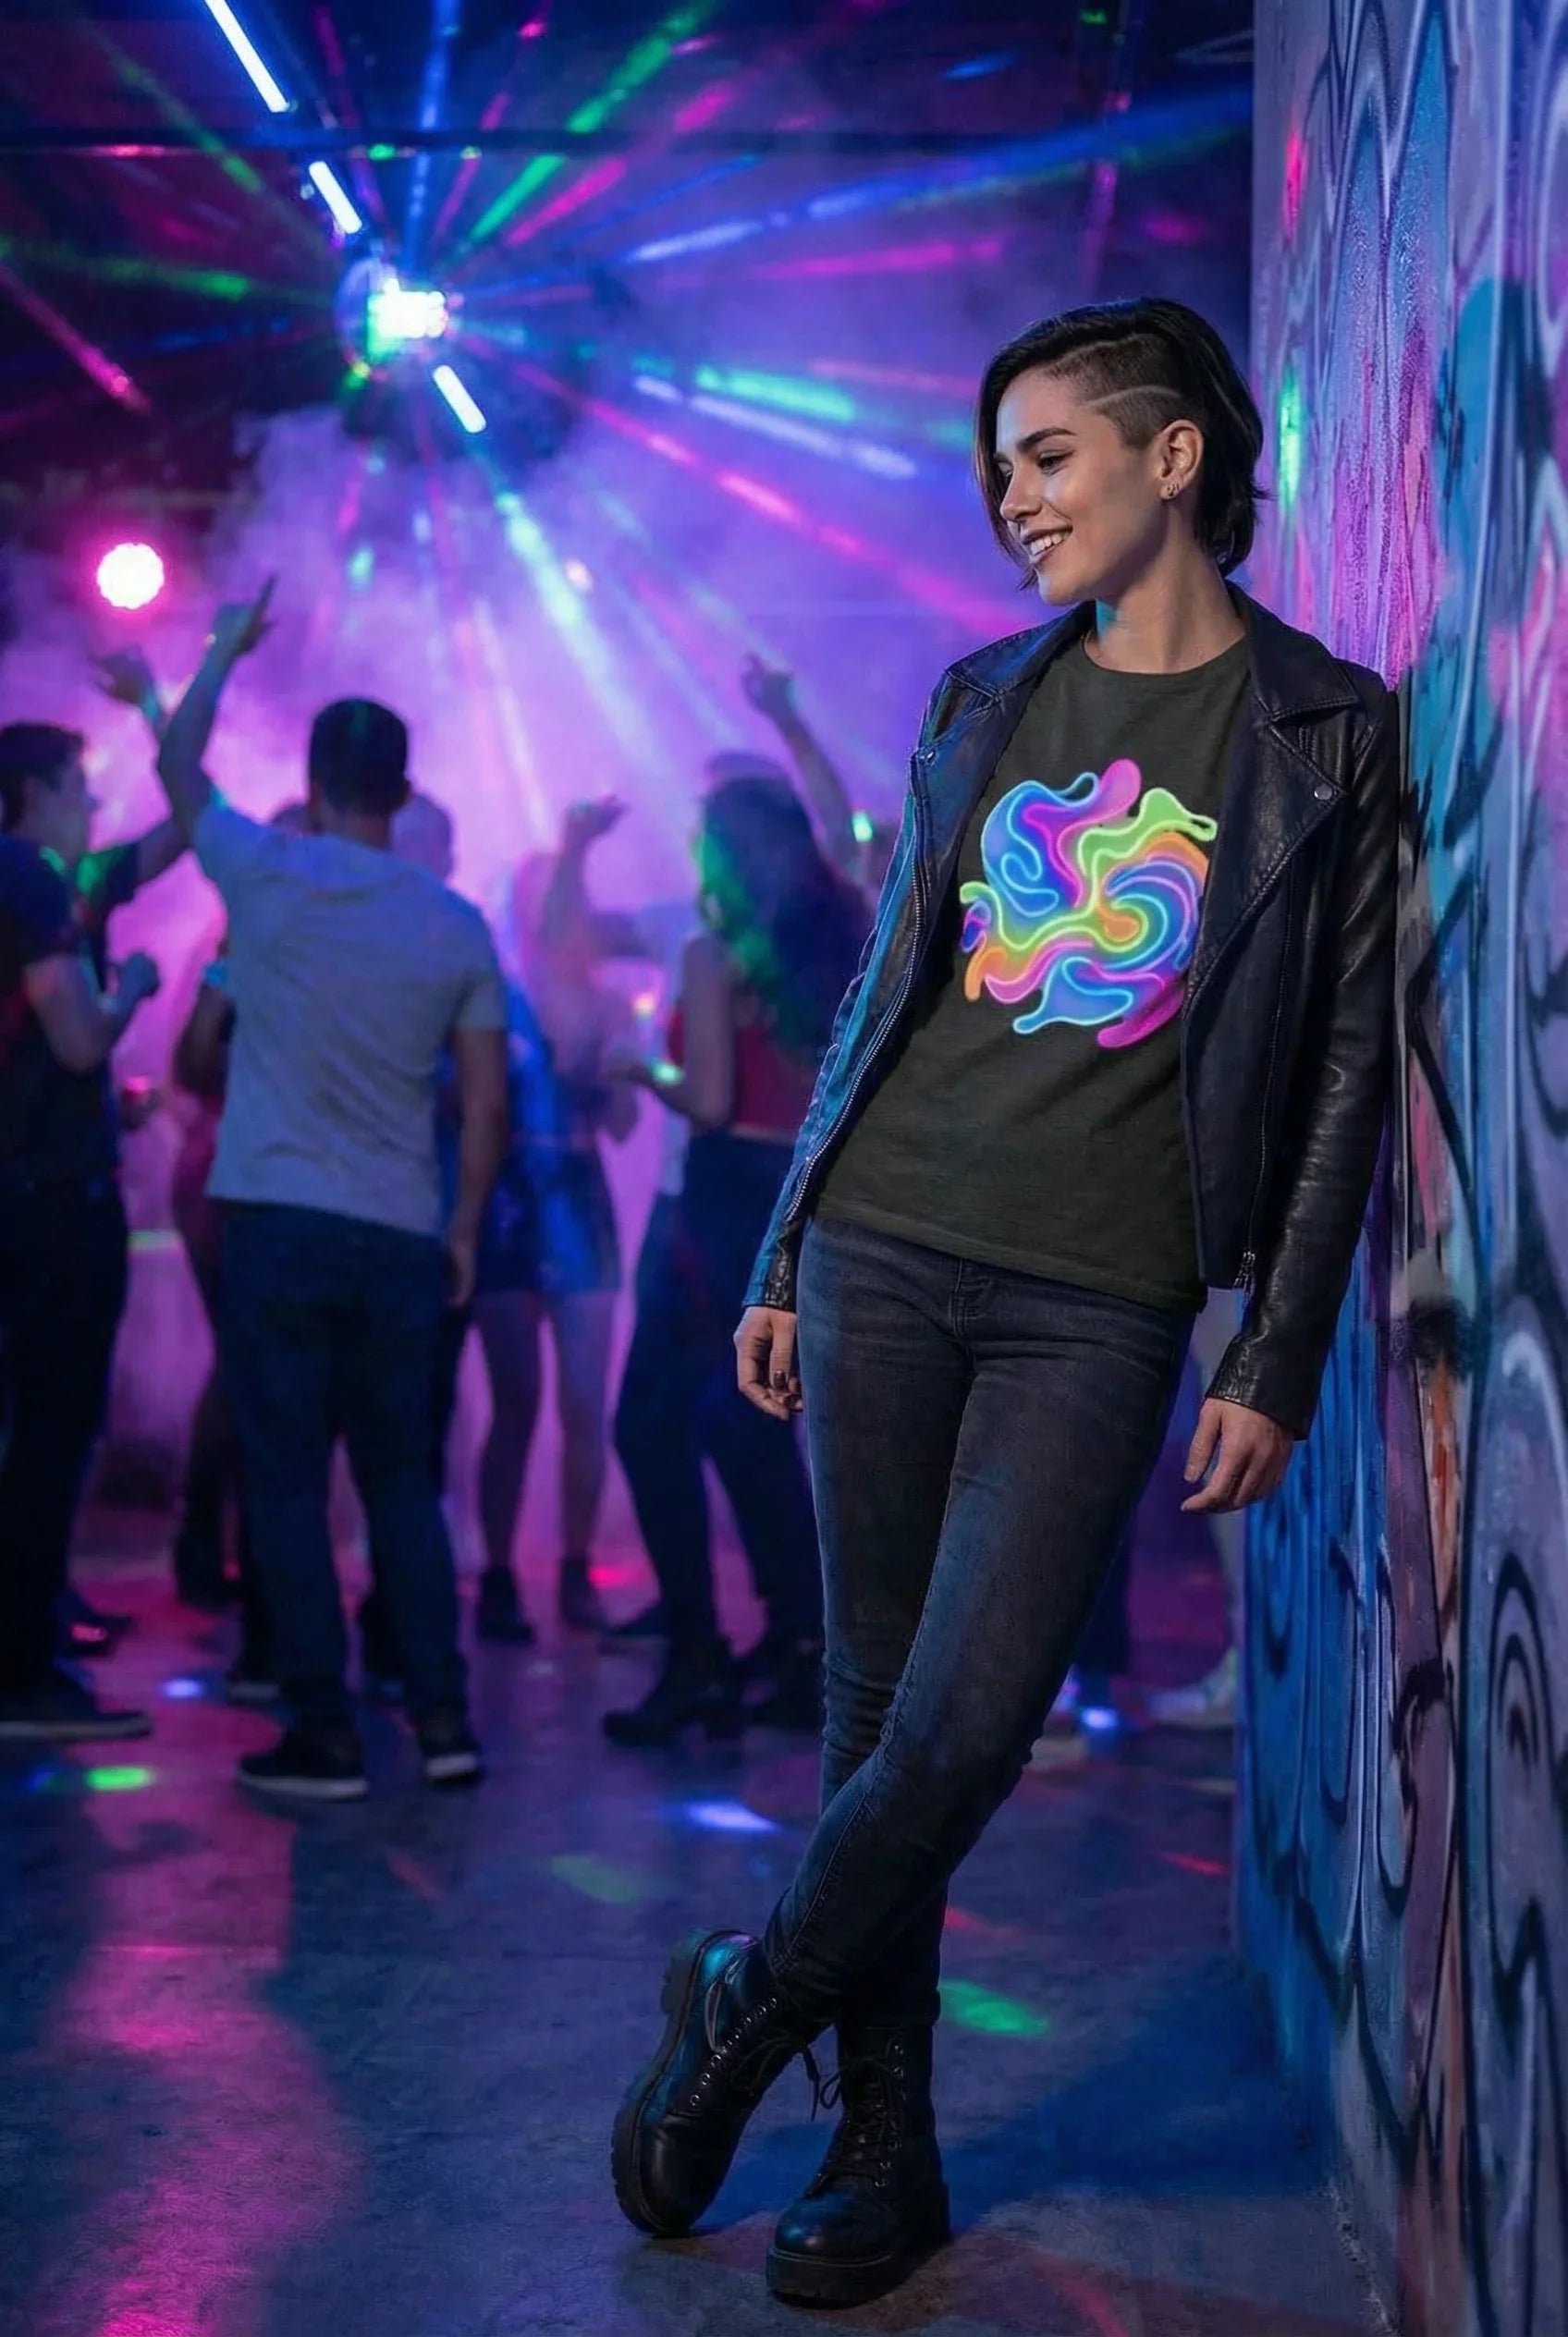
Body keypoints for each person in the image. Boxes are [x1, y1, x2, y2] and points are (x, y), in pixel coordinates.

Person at [610, 297, 1399, 2308]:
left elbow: (1338, 1065)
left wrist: (1280, 1339)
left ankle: (741, 1985)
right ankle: (883, 2147)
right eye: (999, 464)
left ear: (1170, 460)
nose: (1011, 494)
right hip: (888, 1234)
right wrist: (790, 1237)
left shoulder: (1323, 733)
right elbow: (886, 991)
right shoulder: (983, 692)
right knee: (873, 1709)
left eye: (1047, 454)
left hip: (1099, 1297)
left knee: (966, 1725)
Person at [155, 585, 509, 1801]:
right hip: (401, 1235)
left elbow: (175, 763)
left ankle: (324, 1733)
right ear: (404, 796)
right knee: (402, 1478)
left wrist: (221, 648)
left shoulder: (268, 874)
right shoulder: (457, 923)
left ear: (312, 784)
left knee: (292, 1481)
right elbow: (488, 1099)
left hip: (277, 1224)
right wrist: (462, 1227)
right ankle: (446, 1721)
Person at [602, 776, 866, 1747]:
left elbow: (708, 1097)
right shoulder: (848, 931)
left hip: (718, 1201)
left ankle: (698, 1655)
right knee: (748, 1426)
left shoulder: (714, 954)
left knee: (652, 1425)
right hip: (802, 1199)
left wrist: (641, 1065)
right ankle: (800, 1646)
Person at [0, 725, 163, 1742]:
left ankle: (31, 1622)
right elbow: (74, 1035)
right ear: (29, 793)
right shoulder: (27, 875)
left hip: (21, 1184)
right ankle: (23, 1672)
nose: (91, 808)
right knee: (53, 1428)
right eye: (77, 789)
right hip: (49, 1200)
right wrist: (132, 991)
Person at [464, 849, 638, 1646]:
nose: (548, 916)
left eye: (558, 901)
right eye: (534, 900)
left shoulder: (606, 1004)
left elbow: (626, 1125)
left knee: (582, 1406)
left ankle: (575, 1570)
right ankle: (498, 1574)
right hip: (508, 1202)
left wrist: (608, 1076)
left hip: (577, 1201)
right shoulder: (492, 997)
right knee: (515, 1402)